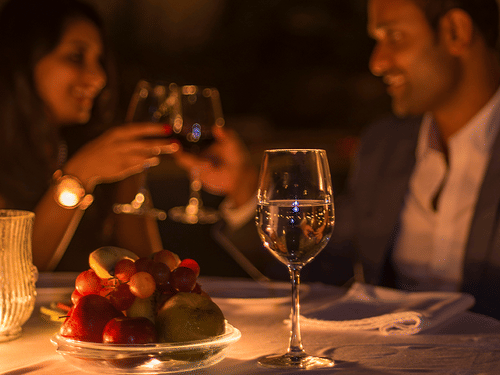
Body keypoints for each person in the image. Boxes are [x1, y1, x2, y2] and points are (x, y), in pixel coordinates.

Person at [175, 0, 500, 319]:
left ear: (456, 31)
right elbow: (324, 272)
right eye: (377, 41)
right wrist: (245, 189)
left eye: (395, 37)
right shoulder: (385, 145)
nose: (378, 62)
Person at [0, 0, 177, 272]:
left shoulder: (92, 145)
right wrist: (80, 176)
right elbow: (10, 277)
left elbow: (152, 271)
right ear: (22, 59)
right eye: (76, 56)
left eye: (99, 60)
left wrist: (130, 170)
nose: (98, 77)